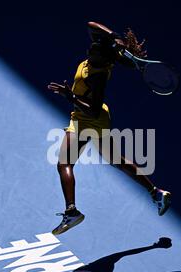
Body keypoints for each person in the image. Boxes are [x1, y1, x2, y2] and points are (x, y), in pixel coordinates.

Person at [47, 22, 171, 235]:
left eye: (96, 47)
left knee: (64, 164)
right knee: (117, 161)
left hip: (88, 120)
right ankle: (156, 193)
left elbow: (93, 110)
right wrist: (114, 36)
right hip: (92, 119)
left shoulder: (97, 75)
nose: (91, 46)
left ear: (103, 57)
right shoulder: (98, 55)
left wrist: (71, 96)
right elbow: (91, 25)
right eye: (94, 44)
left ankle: (72, 211)